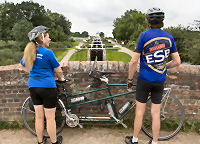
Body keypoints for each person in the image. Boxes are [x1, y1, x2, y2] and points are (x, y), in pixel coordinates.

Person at [125, 7, 181, 144]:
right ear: (162, 21)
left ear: (148, 20)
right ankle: (154, 142)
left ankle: (135, 140)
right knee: (156, 113)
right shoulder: (169, 37)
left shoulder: (144, 36)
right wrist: (163, 66)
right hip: (159, 80)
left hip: (144, 80)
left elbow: (133, 62)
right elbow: (177, 61)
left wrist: (129, 80)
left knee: (140, 112)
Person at [20, 26, 65, 144]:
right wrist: (61, 79)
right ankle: (54, 142)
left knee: (39, 117)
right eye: (48, 37)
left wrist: (33, 72)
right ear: (42, 38)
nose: (49, 39)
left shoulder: (29, 52)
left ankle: (40, 141)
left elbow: (22, 65)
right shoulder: (48, 53)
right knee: (50, 118)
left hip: (33, 87)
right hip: (48, 88)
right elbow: (58, 70)